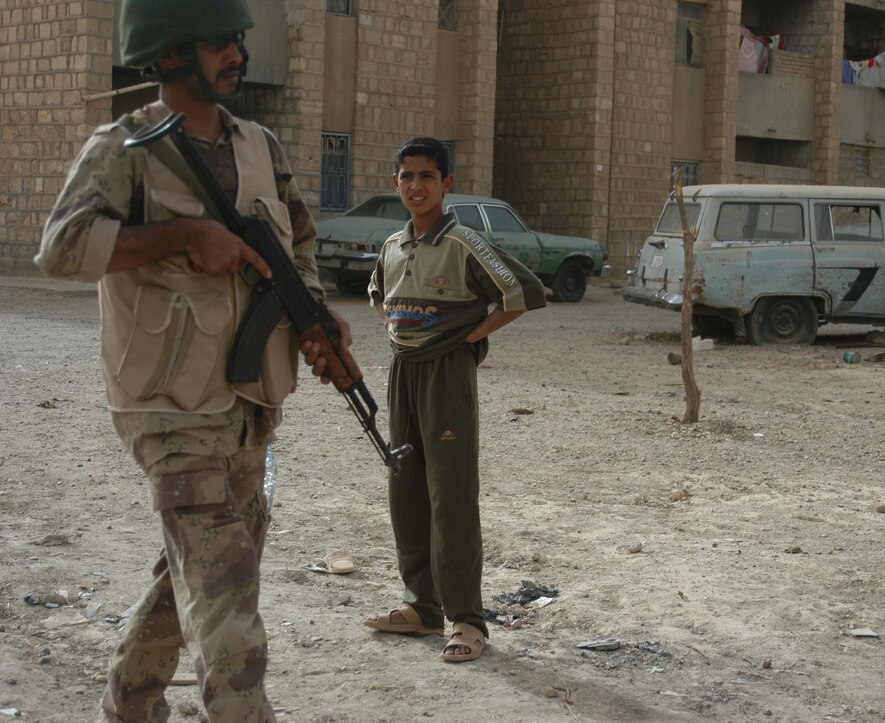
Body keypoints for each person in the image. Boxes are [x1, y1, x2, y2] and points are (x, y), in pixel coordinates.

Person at [35, 0, 352, 719]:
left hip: (246, 401)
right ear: (171, 52)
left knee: (202, 572)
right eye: (219, 42)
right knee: (228, 591)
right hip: (165, 403)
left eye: (237, 40)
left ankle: (131, 702)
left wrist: (316, 314)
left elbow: (298, 244)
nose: (236, 53)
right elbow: (59, 248)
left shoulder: (260, 147)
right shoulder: (126, 148)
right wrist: (179, 236)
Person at [364, 138, 547, 662]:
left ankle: (467, 621)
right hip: (404, 375)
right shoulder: (392, 246)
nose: (415, 186)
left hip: (447, 377)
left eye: (427, 176)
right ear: (395, 182)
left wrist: (468, 338)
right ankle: (422, 607)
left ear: (446, 184)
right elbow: (379, 295)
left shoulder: (463, 242)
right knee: (407, 491)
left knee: (452, 497)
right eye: (406, 176)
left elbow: (522, 292)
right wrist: (398, 334)